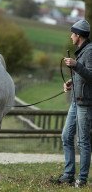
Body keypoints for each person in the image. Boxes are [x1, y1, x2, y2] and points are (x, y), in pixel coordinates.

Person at [56, 19, 92, 188]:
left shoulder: (90, 51)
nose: (70, 36)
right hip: (75, 102)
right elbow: (83, 76)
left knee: (83, 141)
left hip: (85, 104)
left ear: (78, 35)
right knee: (66, 136)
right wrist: (71, 81)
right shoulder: (82, 51)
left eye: (72, 33)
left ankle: (82, 179)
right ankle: (69, 174)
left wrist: (76, 66)